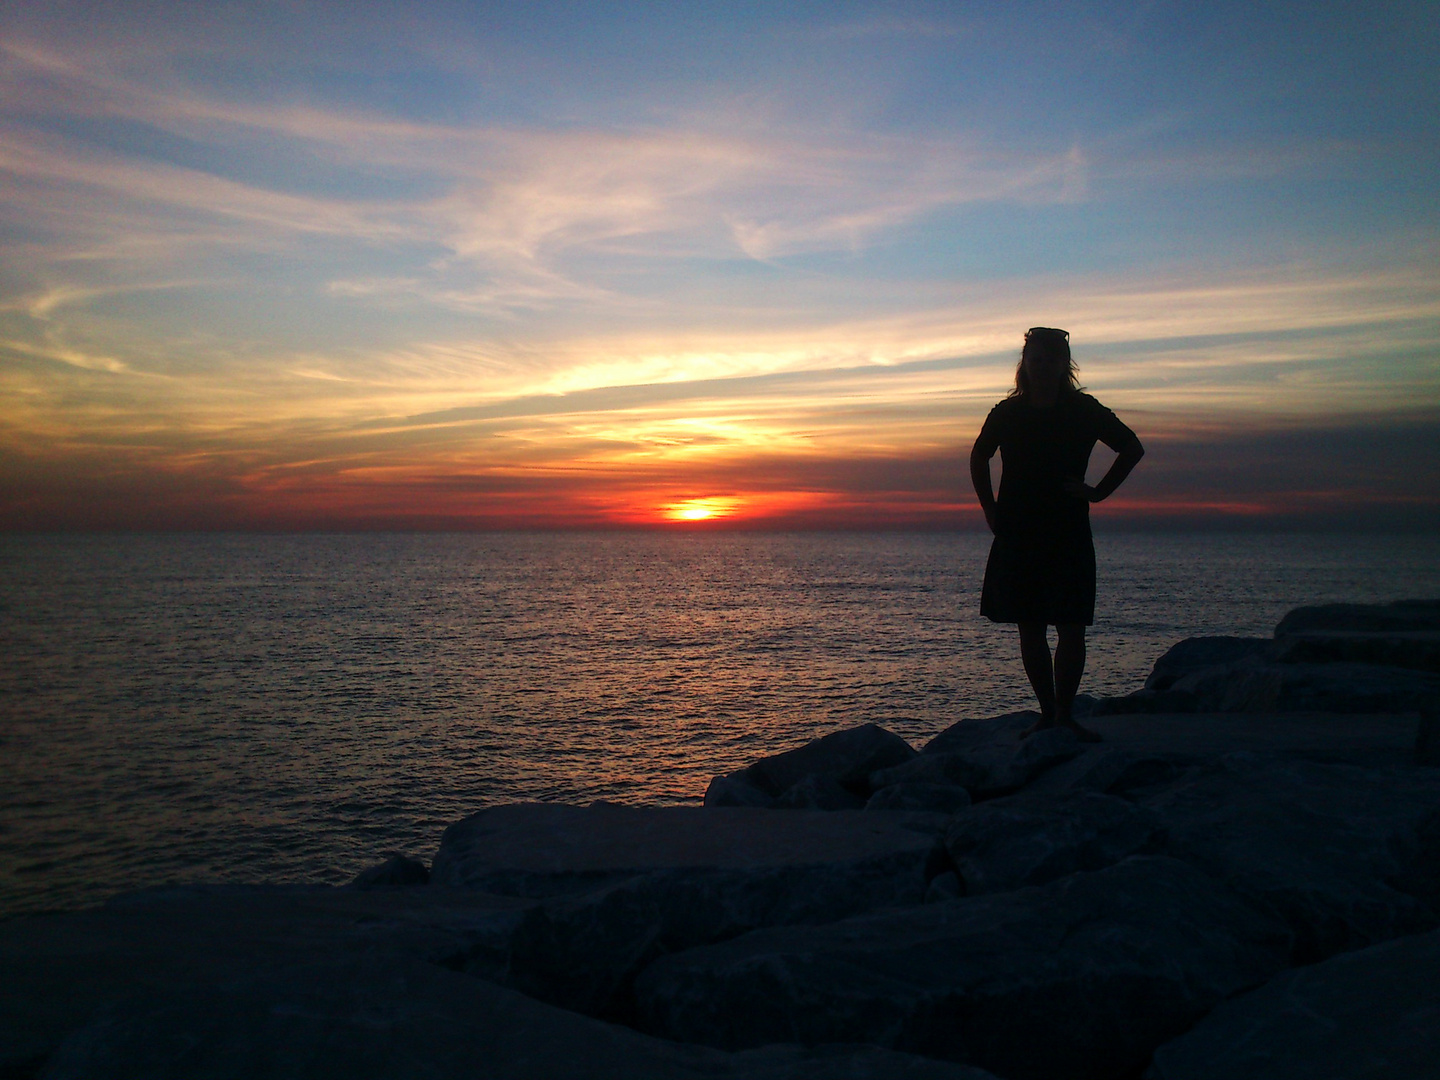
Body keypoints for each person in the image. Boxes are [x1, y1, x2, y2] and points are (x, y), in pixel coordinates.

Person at [970, 327, 1144, 741]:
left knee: (1070, 625)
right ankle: (1047, 714)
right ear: (1024, 364)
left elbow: (1131, 447)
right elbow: (979, 456)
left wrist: (1097, 492)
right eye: (1035, 359)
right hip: (1018, 528)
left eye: (1050, 360)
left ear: (1064, 364)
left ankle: (1064, 714)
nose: (1042, 366)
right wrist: (990, 510)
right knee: (1029, 626)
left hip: (1066, 528)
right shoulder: (1007, 413)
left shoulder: (1083, 410)